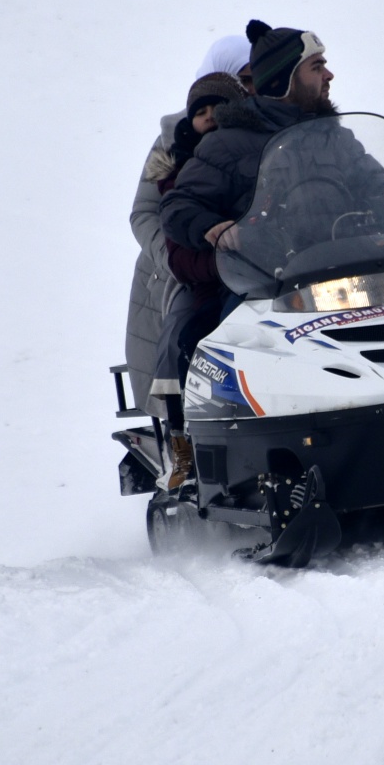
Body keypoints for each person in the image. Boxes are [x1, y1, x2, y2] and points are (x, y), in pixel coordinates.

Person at [160, 20, 384, 262]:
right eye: (317, 67)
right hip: (268, 286)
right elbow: (179, 206)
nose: (329, 75)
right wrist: (213, 227)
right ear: (281, 81)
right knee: (203, 313)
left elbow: (371, 181)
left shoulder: (336, 137)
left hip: (349, 271)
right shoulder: (226, 143)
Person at [123, 36, 250, 416]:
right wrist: (179, 260)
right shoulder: (172, 141)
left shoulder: (262, 133)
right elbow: (145, 213)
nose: (250, 86)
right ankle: (181, 437)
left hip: (250, 263)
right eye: (241, 77)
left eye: (254, 76)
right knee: (186, 333)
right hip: (181, 271)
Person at [150, 72, 247, 489]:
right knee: (185, 334)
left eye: (217, 109)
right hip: (212, 283)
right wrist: (221, 263)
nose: (209, 119)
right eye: (201, 113)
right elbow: (178, 254)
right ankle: (182, 440)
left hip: (270, 276)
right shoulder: (180, 172)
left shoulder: (256, 152)